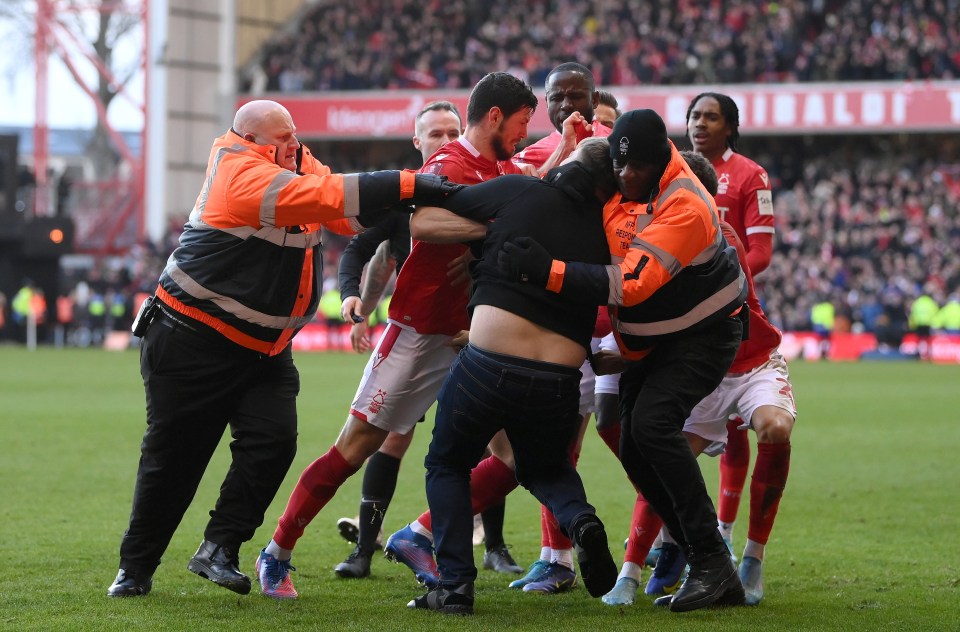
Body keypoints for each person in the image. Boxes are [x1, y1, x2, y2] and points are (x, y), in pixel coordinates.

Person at [105, 99, 460, 598]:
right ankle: (135, 568)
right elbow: (317, 195)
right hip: (194, 340)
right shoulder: (238, 172)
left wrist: (407, 199)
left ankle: (220, 548)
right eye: (283, 139)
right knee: (174, 460)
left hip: (264, 347)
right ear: (252, 142)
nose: (296, 145)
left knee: (273, 444)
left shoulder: (290, 157)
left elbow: (343, 216)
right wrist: (410, 183)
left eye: (295, 135)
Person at [254, 73, 538, 600]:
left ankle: (418, 535)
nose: (526, 134)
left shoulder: (502, 164)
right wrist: (491, 234)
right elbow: (424, 225)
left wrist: (566, 150)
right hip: (419, 332)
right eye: (522, 122)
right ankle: (277, 552)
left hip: (473, 334)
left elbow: (537, 187)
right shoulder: (450, 164)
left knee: (518, 457)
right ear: (495, 117)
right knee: (357, 446)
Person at [498, 109, 748, 612]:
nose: (623, 177)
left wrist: (548, 271)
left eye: (632, 170)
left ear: (660, 163)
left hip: (704, 334)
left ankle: (711, 562)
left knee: (653, 427)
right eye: (617, 167)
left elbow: (630, 286)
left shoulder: (686, 205)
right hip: (657, 339)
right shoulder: (632, 179)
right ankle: (710, 562)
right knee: (634, 445)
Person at [385, 62, 615, 595]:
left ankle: (455, 585)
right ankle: (581, 521)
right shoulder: (608, 231)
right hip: (560, 375)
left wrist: (496, 230)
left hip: (489, 360)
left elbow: (423, 218)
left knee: (445, 461)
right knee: (546, 467)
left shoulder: (516, 191)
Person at [332, 100, 519, 579]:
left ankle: (494, 545)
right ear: (418, 143)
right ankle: (366, 551)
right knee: (391, 439)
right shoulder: (407, 199)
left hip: (471, 334)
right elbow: (360, 250)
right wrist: (356, 303)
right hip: (420, 331)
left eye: (453, 129)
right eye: (435, 133)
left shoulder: (481, 186)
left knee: (490, 440)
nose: (446, 138)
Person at [603, 151, 797, 608]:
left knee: (774, 426)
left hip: (746, 362)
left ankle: (750, 559)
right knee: (659, 454)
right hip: (700, 372)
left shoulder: (715, 236)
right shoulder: (658, 233)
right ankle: (635, 569)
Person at [686, 91, 777, 562]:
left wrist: (724, 280)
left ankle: (721, 528)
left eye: (711, 117)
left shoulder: (749, 174)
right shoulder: (674, 171)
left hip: (729, 309)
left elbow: (760, 251)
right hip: (683, 316)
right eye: (695, 115)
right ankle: (672, 533)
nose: (700, 124)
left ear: (729, 126)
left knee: (738, 425)